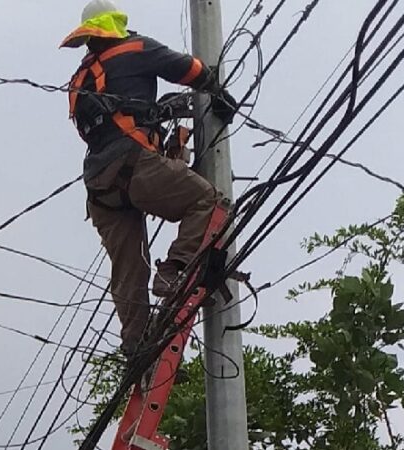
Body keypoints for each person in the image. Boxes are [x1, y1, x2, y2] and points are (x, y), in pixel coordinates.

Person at [61, 0, 236, 358]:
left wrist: (157, 115)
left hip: (99, 187)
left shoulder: (79, 81)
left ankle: (135, 346)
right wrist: (215, 89)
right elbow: (190, 69)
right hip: (135, 166)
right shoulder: (136, 48)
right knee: (210, 202)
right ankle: (174, 270)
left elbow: (107, 125)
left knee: (129, 270)